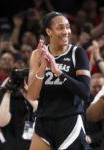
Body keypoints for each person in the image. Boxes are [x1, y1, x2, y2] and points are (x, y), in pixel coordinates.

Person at [27, 11, 91, 150]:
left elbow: (85, 92)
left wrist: (58, 72)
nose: (66, 31)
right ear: (49, 31)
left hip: (69, 120)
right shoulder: (37, 55)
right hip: (44, 121)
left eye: (68, 27)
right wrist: (43, 66)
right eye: (60, 28)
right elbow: (32, 95)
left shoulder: (77, 53)